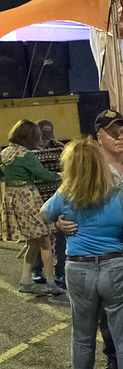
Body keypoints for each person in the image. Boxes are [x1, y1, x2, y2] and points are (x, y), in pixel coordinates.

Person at [41, 139, 123, 369]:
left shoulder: (65, 195)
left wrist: (60, 222)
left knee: (83, 333)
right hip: (117, 267)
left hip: (78, 268)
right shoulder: (118, 193)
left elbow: (41, 215)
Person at [0, 120, 62, 294]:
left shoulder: (5, 153)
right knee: (45, 240)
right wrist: (60, 174)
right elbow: (43, 174)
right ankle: (51, 282)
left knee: (33, 242)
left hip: (12, 197)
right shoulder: (26, 154)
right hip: (27, 196)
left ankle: (26, 280)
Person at [31, 120, 66, 288]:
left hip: (57, 197)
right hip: (36, 198)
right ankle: (37, 270)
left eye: (47, 137)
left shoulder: (60, 148)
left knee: (62, 233)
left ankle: (61, 270)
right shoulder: (28, 150)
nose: (44, 141)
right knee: (38, 235)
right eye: (41, 137)